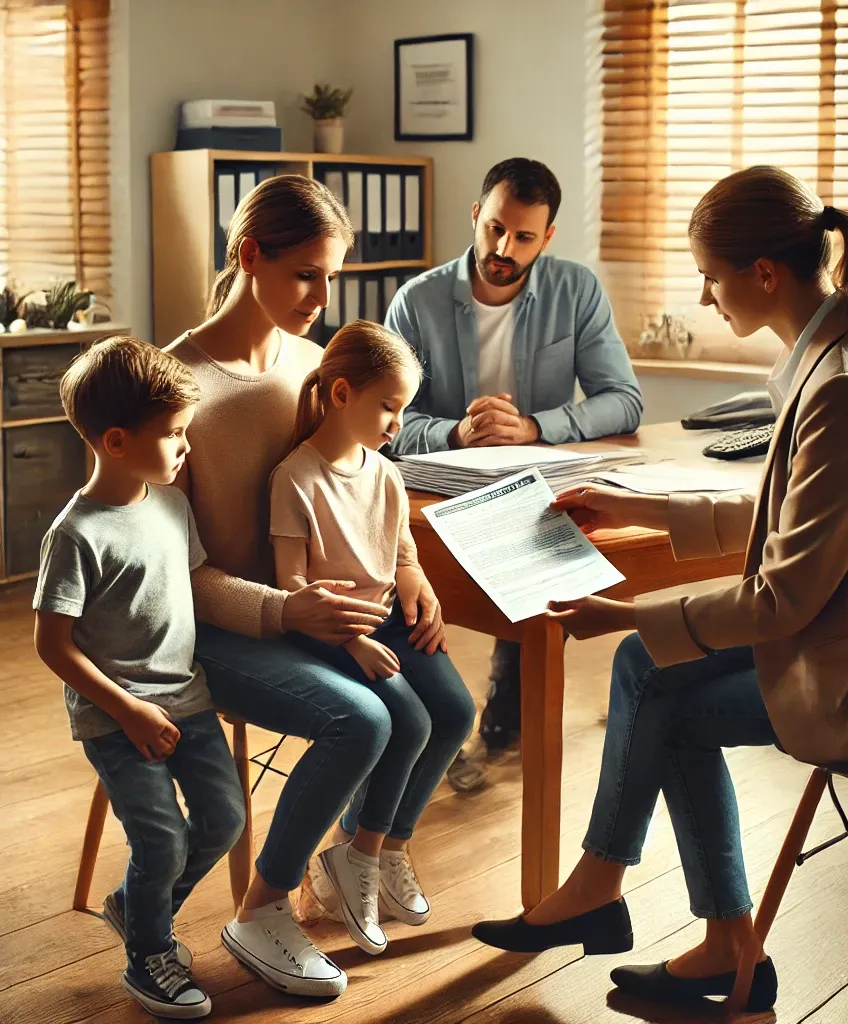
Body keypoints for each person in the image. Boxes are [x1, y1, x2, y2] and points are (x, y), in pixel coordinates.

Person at [471, 166, 848, 1014]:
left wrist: (617, 610)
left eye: (710, 276)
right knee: (648, 668)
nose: (705, 298)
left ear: (765, 274)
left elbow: (783, 599)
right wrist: (629, 499)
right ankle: (656, 914)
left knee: (655, 684)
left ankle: (694, 931)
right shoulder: (841, 356)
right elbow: (778, 511)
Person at [165, 176, 441, 999]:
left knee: (446, 706)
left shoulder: (316, 365)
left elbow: (365, 481)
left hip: (320, 612)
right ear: (250, 257)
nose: (324, 299)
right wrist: (288, 609)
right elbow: (173, 571)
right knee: (360, 720)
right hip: (226, 625)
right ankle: (261, 908)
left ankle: (359, 852)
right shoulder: (175, 386)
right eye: (306, 276)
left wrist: (411, 570)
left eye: (333, 277)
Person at [386, 157, 643, 781]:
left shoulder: (575, 290)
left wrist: (533, 426)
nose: (504, 248)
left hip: (533, 481)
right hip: (438, 487)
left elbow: (624, 399)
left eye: (524, 237)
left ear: (547, 237)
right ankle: (430, 727)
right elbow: (385, 422)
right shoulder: (416, 302)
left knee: (547, 543)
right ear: (476, 215)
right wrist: (454, 432)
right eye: (495, 228)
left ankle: (500, 715)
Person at [33, 337, 247, 1019]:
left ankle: (138, 906)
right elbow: (53, 646)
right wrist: (127, 710)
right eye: (175, 433)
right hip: (116, 717)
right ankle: (148, 955)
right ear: (118, 441)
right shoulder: (75, 534)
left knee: (225, 819)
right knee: (161, 839)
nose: (186, 446)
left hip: (189, 701)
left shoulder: (172, 507)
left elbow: (185, 596)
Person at [268, 320, 475, 955]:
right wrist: (352, 641)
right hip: (327, 627)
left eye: (403, 409)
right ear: (339, 394)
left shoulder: (386, 473)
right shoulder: (294, 478)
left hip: (385, 618)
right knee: (408, 720)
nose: (396, 423)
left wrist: (423, 590)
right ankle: (359, 852)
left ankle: (384, 848)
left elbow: (404, 556)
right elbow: (293, 586)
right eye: (388, 406)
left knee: (457, 712)